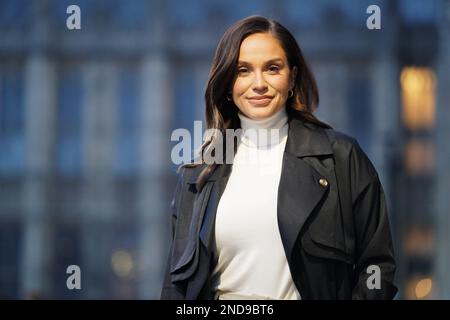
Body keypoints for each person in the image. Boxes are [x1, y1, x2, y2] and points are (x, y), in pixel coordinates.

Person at [161, 15, 397, 300]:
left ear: (292, 77)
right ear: (227, 82)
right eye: (243, 70)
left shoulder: (341, 157)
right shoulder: (197, 174)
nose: (258, 83)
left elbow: (377, 267)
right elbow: (176, 287)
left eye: (272, 68)